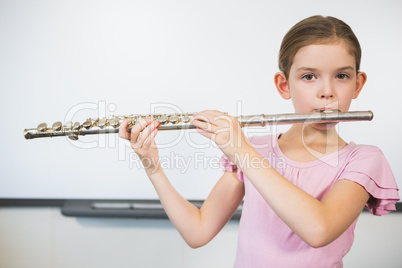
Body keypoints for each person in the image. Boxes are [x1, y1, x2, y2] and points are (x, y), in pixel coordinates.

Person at [119, 15, 399, 268]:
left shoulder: (364, 159)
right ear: (284, 85)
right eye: (309, 76)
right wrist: (152, 165)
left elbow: (319, 230)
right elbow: (198, 232)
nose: (327, 91)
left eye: (341, 76)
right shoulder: (256, 148)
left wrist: (243, 152)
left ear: (357, 84)